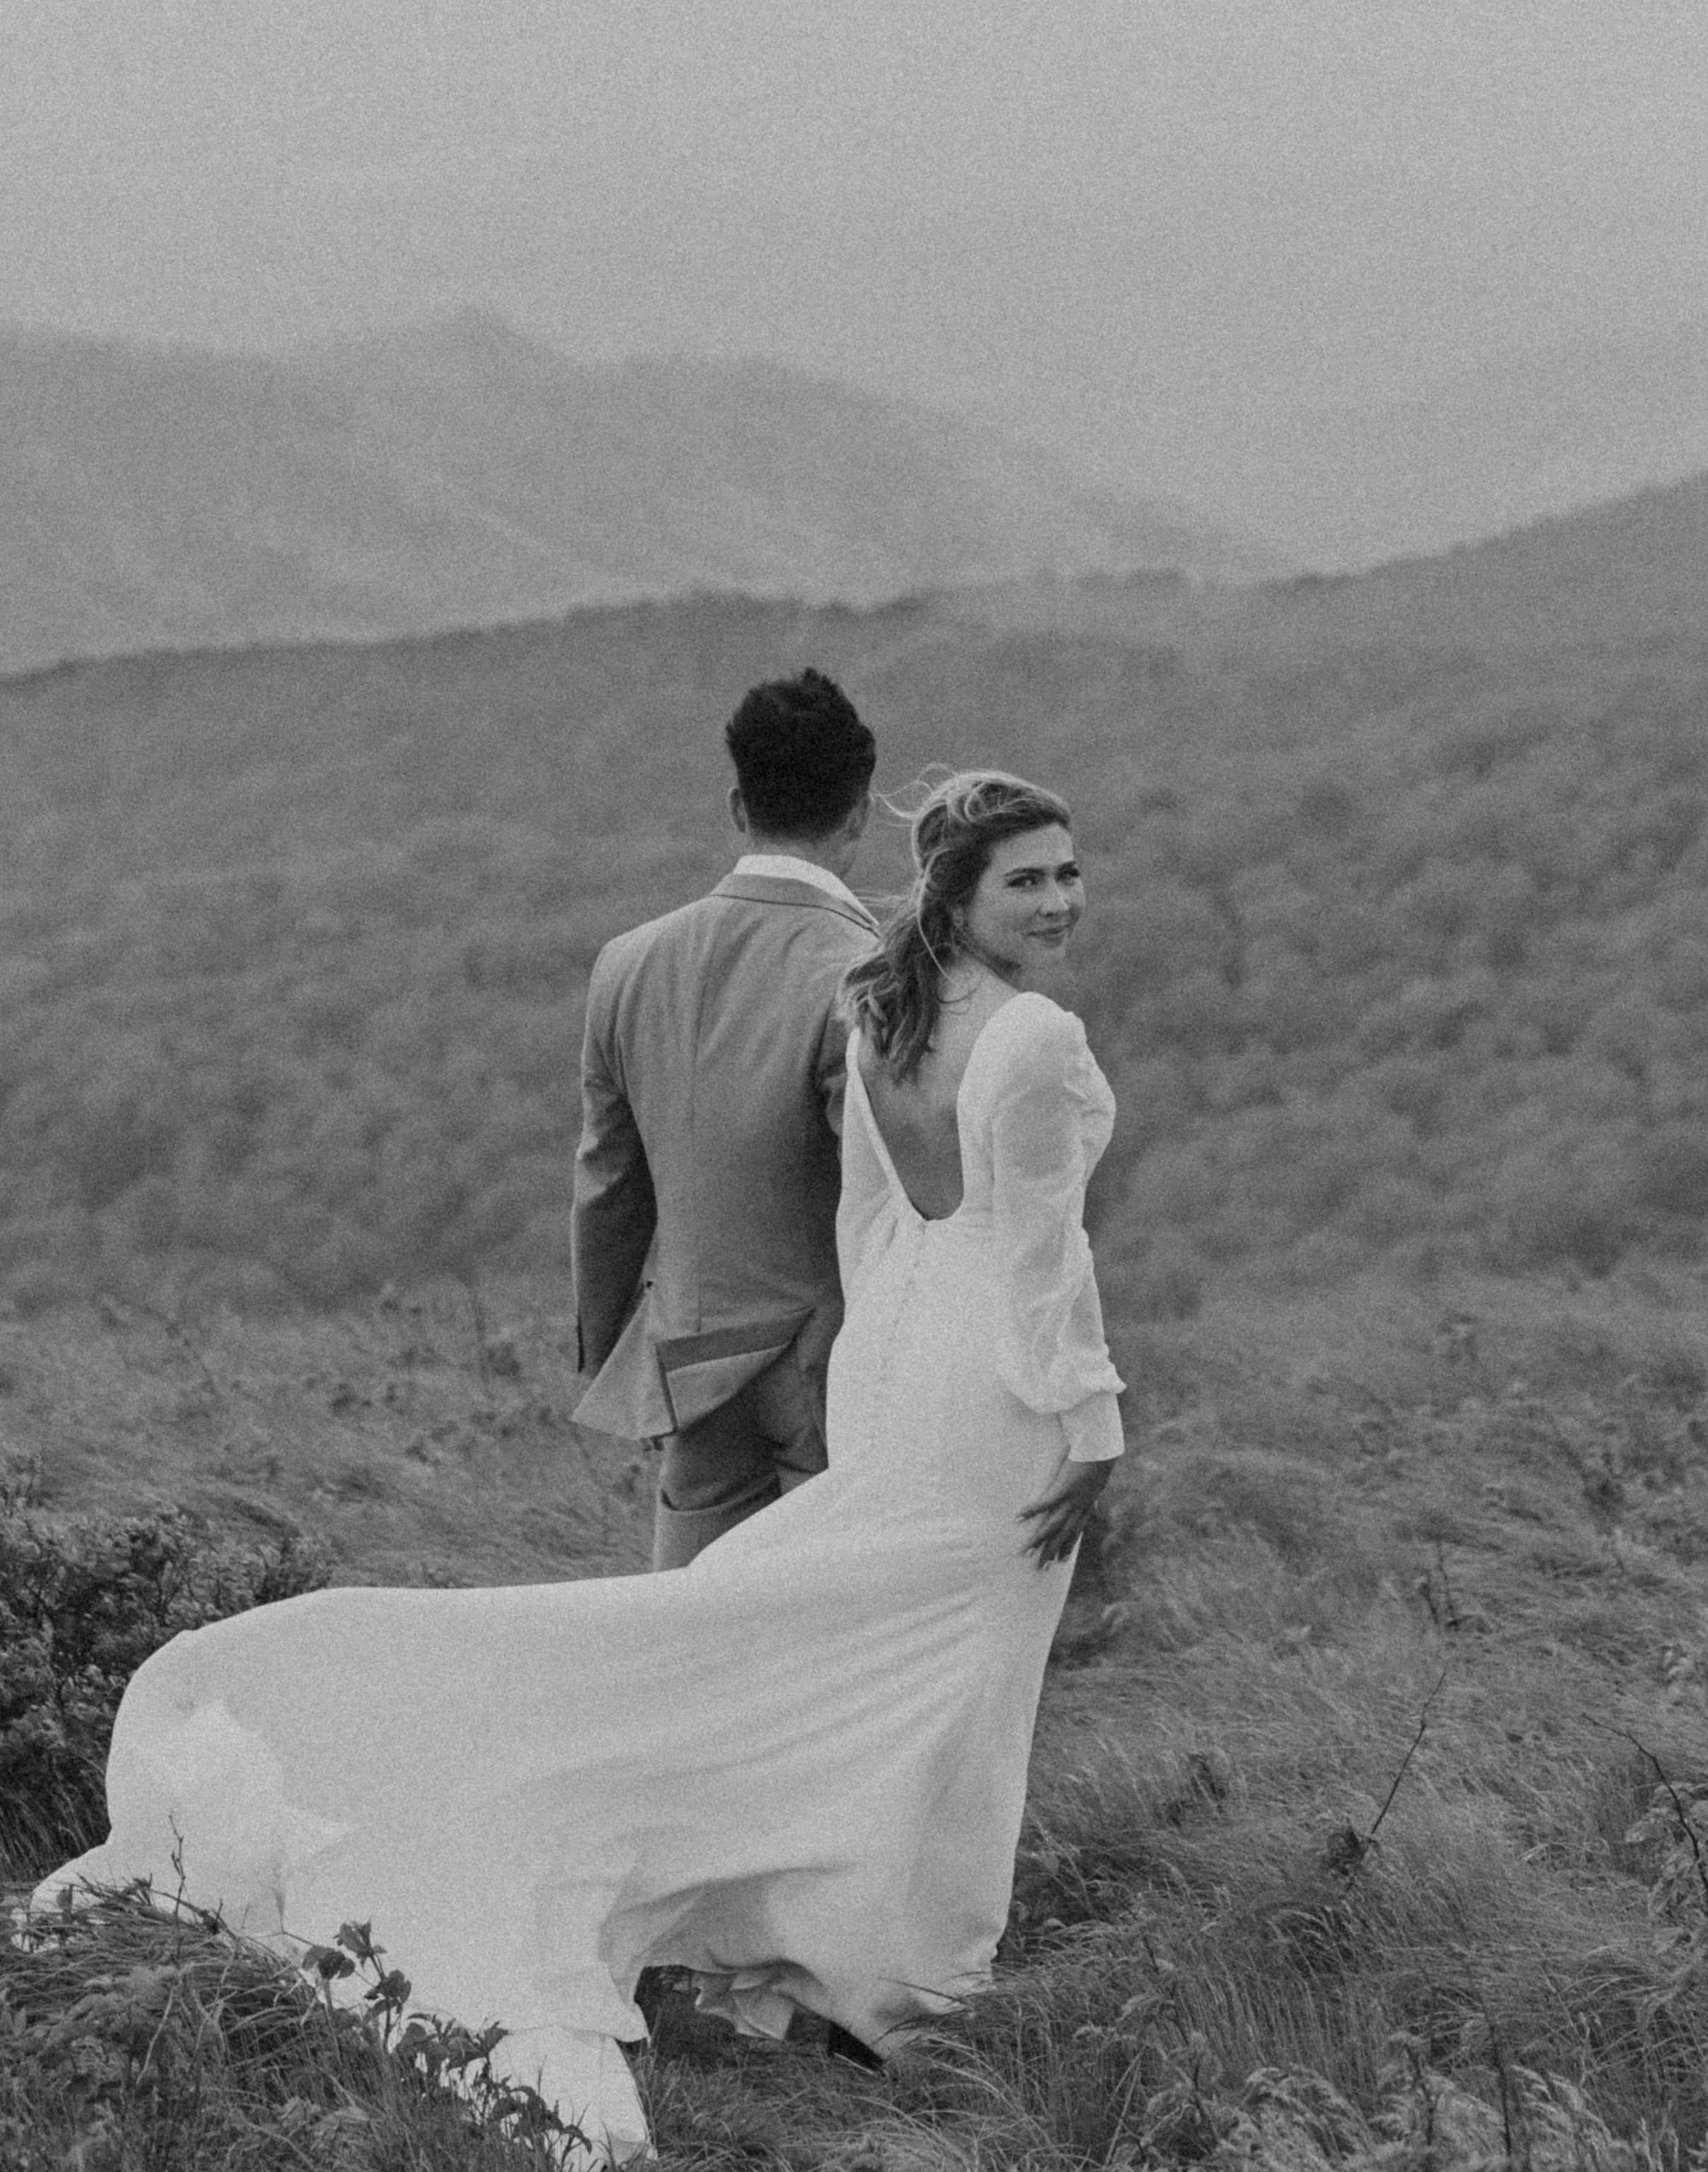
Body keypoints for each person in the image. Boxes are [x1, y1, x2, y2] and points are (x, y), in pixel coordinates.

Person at [33, 768, 1125, 2165]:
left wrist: (883, 1375)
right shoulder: (1035, 1036)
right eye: (1029, 878)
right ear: (958, 895)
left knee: (848, 1659)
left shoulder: (883, 1013)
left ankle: (840, 1961)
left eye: (1069, 873)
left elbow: (872, 1229)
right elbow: (1043, 1258)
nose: (1061, 899)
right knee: (963, 1685)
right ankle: (901, 1981)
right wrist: (1092, 1426)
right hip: (999, 1396)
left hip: (907, 1369)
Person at [572, 667, 880, 1567]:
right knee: (837, 1627)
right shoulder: (866, 972)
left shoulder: (626, 963)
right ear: (860, 814)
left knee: (690, 1629)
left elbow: (607, 1186)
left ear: (738, 806)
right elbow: (884, 1190)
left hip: (689, 1362)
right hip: (830, 1361)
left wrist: (606, 1355)